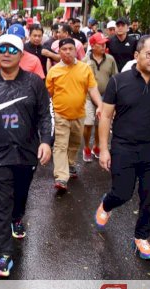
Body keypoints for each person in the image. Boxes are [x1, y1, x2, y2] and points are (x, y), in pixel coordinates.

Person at [0, 34, 53, 277]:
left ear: (21, 54)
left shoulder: (35, 83)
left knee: (20, 194)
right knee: (1, 204)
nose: (6, 53)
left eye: (12, 49)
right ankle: (3, 254)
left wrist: (46, 142)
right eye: (2, 49)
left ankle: (18, 217)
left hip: (27, 152)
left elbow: (45, 115)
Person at [95, 35, 150, 260]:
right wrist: (104, 149)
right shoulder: (119, 81)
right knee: (122, 192)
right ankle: (106, 205)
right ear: (136, 55)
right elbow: (106, 116)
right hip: (123, 147)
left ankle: (142, 238)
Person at [46, 38, 103, 192]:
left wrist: (100, 105)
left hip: (79, 115)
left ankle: (70, 164)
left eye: (71, 48)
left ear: (75, 50)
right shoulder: (54, 71)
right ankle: (61, 177)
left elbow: (92, 89)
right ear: (59, 51)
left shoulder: (85, 69)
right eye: (64, 49)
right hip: (60, 115)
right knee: (60, 145)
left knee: (74, 143)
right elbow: (49, 93)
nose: (68, 52)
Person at [81, 33, 118, 163]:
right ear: (92, 45)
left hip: (105, 97)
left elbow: (115, 77)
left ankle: (97, 146)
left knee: (100, 124)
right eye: (100, 44)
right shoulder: (85, 61)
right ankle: (86, 146)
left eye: (104, 43)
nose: (103, 46)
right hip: (88, 97)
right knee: (88, 123)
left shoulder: (110, 59)